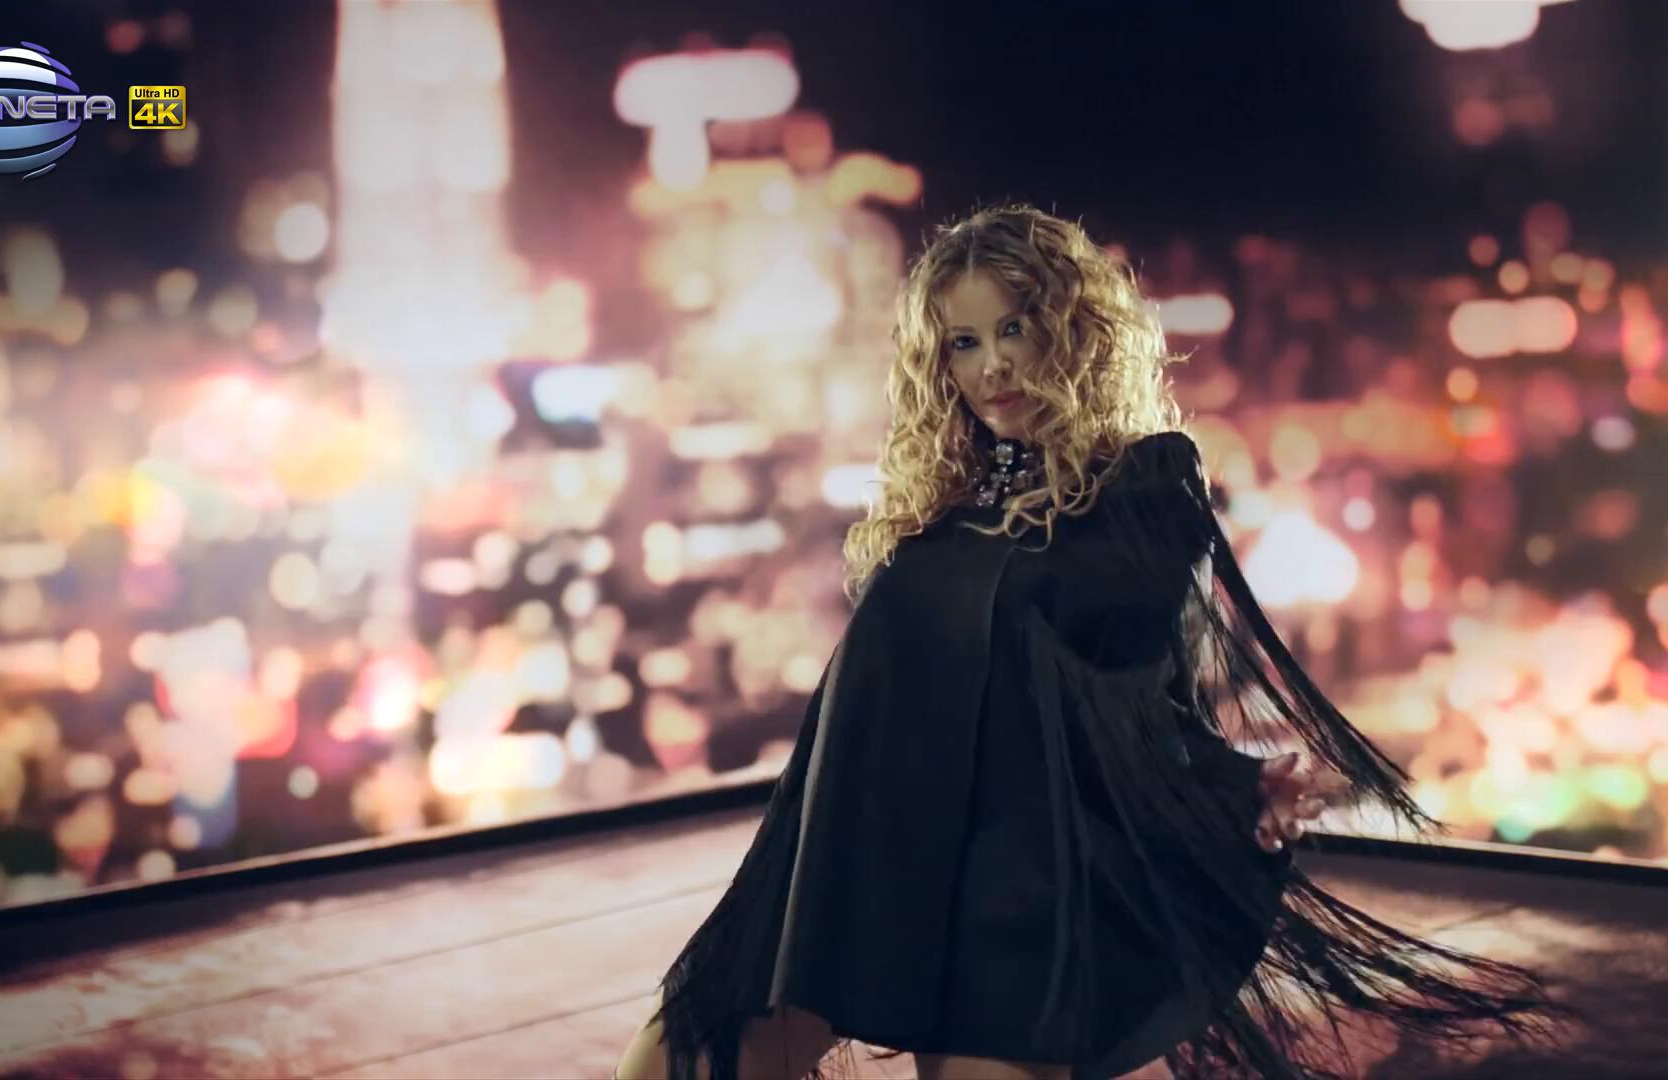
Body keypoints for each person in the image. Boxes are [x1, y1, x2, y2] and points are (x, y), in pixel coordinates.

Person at [613, 205, 1582, 1080]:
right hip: (845, 845)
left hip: (1004, 883)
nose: (991, 366)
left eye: (1014, 328)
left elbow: (1134, 686)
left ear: (1070, 330)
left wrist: (1231, 782)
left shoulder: (1143, 488)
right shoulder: (941, 497)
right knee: (664, 1066)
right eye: (963, 342)